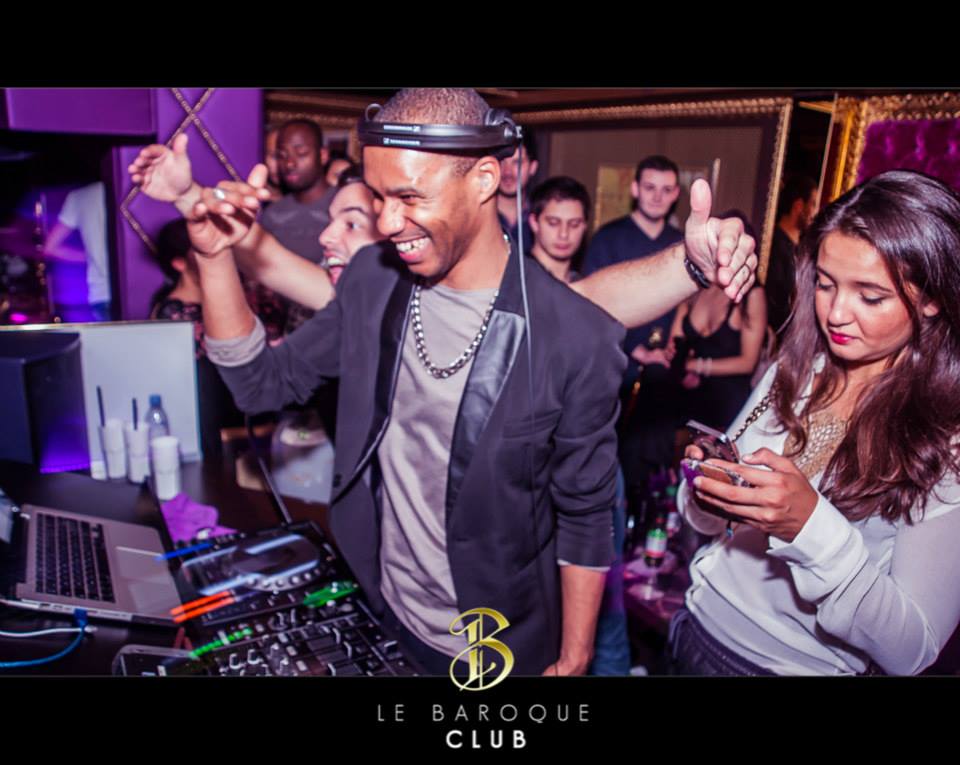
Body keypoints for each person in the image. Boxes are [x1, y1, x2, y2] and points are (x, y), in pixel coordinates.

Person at [174, 88, 757, 677]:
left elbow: (584, 515)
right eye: (378, 197)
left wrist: (576, 655)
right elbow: (260, 386)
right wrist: (214, 257)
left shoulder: (571, 335)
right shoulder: (372, 280)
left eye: (408, 197)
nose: (386, 222)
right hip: (377, 606)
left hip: (494, 646)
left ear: (484, 180)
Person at [671, 169, 960, 676]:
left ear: (932, 298)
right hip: (695, 627)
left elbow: (913, 649)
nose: (836, 314)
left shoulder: (944, 436)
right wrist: (708, 491)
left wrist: (809, 528)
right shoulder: (798, 369)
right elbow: (712, 524)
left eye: (870, 296)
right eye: (825, 284)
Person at [670, 211, 768, 431]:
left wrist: (696, 365)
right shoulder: (698, 283)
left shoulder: (752, 294)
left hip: (725, 403)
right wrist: (679, 364)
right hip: (687, 392)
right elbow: (677, 339)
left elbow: (748, 362)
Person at [42, 180, 112, 321]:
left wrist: (92, 256)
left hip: (102, 294)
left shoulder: (80, 196)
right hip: (143, 286)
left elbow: (50, 247)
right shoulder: (145, 187)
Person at [765, 175, 818, 335]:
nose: (815, 212)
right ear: (798, 206)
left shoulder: (801, 250)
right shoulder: (774, 246)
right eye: (813, 204)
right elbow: (774, 303)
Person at [527, 175, 590, 284]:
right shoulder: (515, 278)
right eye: (553, 223)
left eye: (574, 224)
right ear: (534, 223)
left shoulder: (586, 286)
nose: (564, 234)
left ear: (585, 226)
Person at [496, 128, 538, 254]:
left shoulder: (541, 220)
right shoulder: (478, 217)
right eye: (501, 162)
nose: (507, 172)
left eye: (517, 163)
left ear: (533, 167)